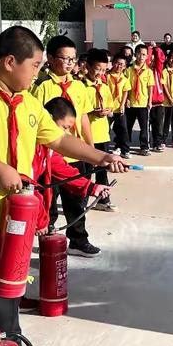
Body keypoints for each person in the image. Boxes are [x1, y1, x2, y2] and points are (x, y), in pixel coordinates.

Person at [0, 26, 126, 346]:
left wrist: (102, 156)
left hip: (9, 219)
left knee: (5, 293)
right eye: (35, 65)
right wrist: (1, 169)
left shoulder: (27, 102)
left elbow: (60, 138)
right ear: (10, 61)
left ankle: (6, 341)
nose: (38, 72)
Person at [32, 97, 111, 255]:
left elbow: (60, 169)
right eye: (64, 127)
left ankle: (77, 241)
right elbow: (28, 186)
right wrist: (41, 220)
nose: (66, 134)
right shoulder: (31, 145)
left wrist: (92, 187)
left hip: (70, 160)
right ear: (47, 121)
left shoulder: (48, 150)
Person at [32, 35, 94, 146]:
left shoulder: (78, 85)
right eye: (66, 59)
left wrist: (90, 145)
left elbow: (83, 117)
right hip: (54, 148)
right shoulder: (42, 86)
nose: (70, 63)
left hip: (77, 148)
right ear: (50, 58)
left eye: (73, 59)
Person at [82, 49, 117, 212]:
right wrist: (92, 112)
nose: (100, 73)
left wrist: (107, 111)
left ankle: (104, 200)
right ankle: (81, 202)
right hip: (87, 136)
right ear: (87, 67)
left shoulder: (104, 86)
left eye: (103, 70)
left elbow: (112, 106)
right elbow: (77, 112)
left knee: (103, 170)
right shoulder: (80, 86)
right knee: (86, 172)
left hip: (103, 134)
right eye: (97, 69)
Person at [126, 44, 154, 156]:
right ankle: (126, 147)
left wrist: (150, 101)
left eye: (144, 54)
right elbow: (126, 86)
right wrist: (127, 99)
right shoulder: (129, 70)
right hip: (131, 103)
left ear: (147, 56)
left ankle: (144, 146)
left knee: (144, 127)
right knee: (128, 126)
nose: (141, 56)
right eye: (139, 54)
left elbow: (150, 87)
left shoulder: (148, 72)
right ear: (135, 55)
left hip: (143, 102)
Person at [107, 53, 132, 159]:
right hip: (108, 108)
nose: (119, 66)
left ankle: (125, 150)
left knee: (123, 129)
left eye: (122, 65)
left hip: (119, 108)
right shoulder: (107, 76)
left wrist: (122, 105)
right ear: (113, 63)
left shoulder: (124, 79)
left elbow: (125, 92)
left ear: (125, 66)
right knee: (105, 130)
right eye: (117, 63)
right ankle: (104, 149)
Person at [147, 41, 166, 152]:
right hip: (148, 101)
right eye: (151, 61)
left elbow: (161, 59)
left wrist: (156, 48)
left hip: (159, 102)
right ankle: (147, 144)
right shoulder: (146, 71)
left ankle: (157, 143)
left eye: (155, 61)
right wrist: (149, 49)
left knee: (159, 125)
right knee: (147, 125)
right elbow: (146, 60)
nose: (153, 62)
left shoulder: (158, 71)